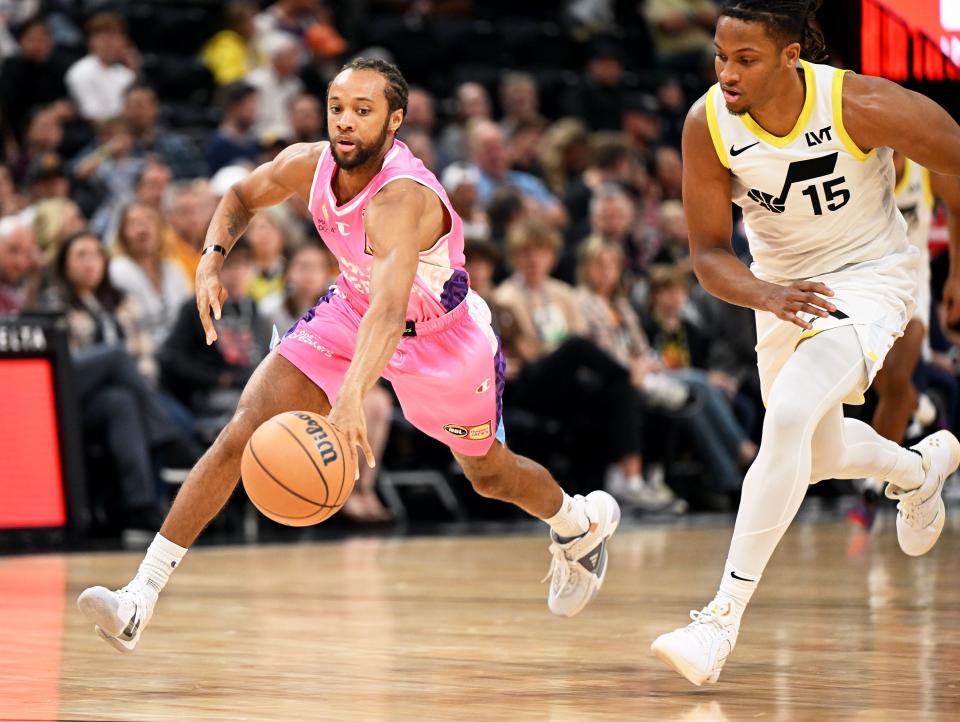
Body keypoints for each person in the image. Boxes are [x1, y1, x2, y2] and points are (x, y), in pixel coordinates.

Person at [78, 58, 620, 653]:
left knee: (490, 474)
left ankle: (576, 525)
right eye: (337, 107)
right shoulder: (309, 164)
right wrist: (211, 256)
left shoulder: (401, 199)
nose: (344, 122)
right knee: (243, 432)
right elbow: (239, 195)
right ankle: (140, 596)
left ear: (394, 122)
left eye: (362, 111)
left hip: (439, 339)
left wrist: (351, 398)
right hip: (350, 310)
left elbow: (391, 313)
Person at [650, 0, 960, 686]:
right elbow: (706, 254)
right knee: (814, 454)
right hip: (783, 292)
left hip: (873, 279)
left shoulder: (859, 104)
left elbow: (955, 156)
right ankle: (916, 472)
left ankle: (719, 621)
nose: (726, 73)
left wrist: (958, 264)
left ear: (793, 57)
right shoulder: (707, 124)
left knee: (786, 418)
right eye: (720, 57)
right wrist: (766, 295)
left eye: (746, 59)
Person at [850, 153, 960, 520]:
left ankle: (870, 489)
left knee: (896, 380)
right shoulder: (852, 163)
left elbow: (957, 205)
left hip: (912, 289)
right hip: (864, 289)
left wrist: (956, 276)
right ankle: (924, 409)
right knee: (879, 385)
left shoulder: (923, 166)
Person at [110, 202, 191, 345]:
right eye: (134, 223)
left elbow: (188, 317)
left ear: (161, 229)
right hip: (143, 352)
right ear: (123, 234)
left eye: (149, 220)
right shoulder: (118, 270)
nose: (143, 229)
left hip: (180, 350)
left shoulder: (173, 269)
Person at [64, 13, 139, 123]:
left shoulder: (125, 73)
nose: (112, 43)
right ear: (91, 41)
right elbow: (92, 117)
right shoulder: (81, 71)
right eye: (106, 37)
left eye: (117, 37)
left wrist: (136, 69)